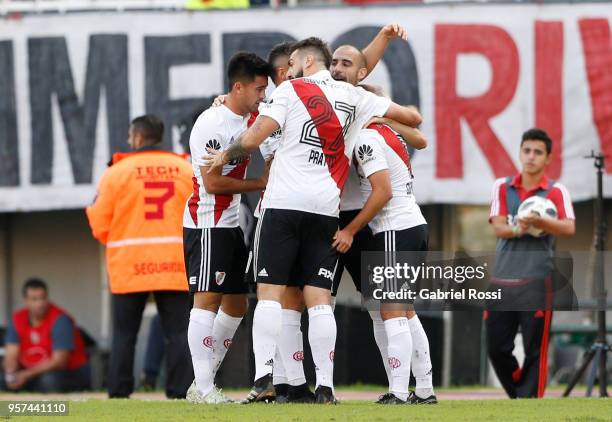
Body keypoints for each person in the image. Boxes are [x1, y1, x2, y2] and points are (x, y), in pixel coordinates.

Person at [206, 36, 422, 404]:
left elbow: (257, 135)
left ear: (305, 62)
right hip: (326, 209)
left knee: (270, 293)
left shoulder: (291, 91)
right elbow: (413, 119)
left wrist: (224, 153)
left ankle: (263, 380)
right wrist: (372, 102)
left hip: (284, 203)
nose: (286, 72)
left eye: (291, 64)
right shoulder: (357, 97)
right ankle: (326, 387)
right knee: (320, 299)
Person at [330, 45, 436, 404]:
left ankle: (398, 392)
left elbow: (382, 192)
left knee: (392, 311)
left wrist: (350, 229)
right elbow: (419, 137)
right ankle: (424, 390)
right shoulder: (384, 130)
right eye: (335, 62)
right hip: (413, 223)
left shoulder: (366, 137)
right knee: (404, 311)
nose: (337, 69)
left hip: (394, 228)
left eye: (346, 64)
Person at [183, 52, 272, 404]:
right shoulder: (212, 123)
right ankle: (204, 389)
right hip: (207, 222)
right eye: (258, 88)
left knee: (237, 305)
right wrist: (260, 184)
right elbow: (213, 183)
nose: (262, 95)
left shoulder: (254, 117)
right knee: (205, 303)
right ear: (238, 87)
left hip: (232, 223)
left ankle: (201, 381)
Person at [86, 114, 194, 399]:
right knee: (179, 333)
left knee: (124, 334)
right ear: (159, 137)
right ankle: (179, 392)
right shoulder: (184, 168)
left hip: (130, 265)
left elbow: (98, 221)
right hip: (174, 263)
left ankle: (120, 393)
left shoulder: (117, 172)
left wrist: (119, 238)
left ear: (137, 138)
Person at [488, 128, 575, 398]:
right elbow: (500, 228)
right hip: (501, 278)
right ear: (520, 153)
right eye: (527, 151)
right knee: (496, 347)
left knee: (535, 348)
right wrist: (522, 227)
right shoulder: (502, 186)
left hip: (538, 279)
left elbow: (568, 227)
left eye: (538, 152)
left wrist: (541, 222)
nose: (531, 157)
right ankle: (520, 392)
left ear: (548, 158)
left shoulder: (556, 191)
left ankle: (528, 402)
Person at [1, 279, 90, 393]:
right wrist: (11, 373)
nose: (40, 303)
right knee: (5, 379)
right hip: (29, 373)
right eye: (34, 299)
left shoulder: (60, 320)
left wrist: (26, 375)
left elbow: (59, 362)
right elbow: (11, 355)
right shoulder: (18, 318)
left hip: (68, 372)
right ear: (26, 301)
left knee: (49, 380)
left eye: (43, 298)